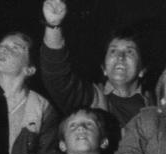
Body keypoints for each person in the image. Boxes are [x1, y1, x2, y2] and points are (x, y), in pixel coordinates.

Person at [39, 0, 152, 137]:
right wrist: (53, 25)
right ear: (104, 68)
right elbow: (57, 77)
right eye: (113, 51)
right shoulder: (92, 99)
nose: (120, 57)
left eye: (130, 52)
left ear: (142, 70)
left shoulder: (156, 104)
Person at [0, 31, 60, 154]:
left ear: (30, 70)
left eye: (15, 47)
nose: (2, 49)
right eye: (1, 46)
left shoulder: (42, 107)